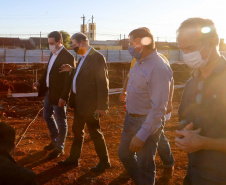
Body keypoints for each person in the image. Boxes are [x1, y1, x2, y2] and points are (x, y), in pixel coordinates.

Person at [118, 28, 173, 185]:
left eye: (131, 43)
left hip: (146, 121)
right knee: (124, 153)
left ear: (142, 44)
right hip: (131, 117)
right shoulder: (140, 61)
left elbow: (158, 109)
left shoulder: (158, 67)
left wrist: (142, 135)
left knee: (145, 164)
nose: (129, 47)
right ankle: (140, 180)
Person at [175, 17, 226, 185]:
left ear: (212, 43)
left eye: (190, 48)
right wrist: (184, 129)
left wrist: (203, 143)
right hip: (194, 173)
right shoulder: (192, 83)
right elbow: (184, 117)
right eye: (182, 49)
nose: (186, 55)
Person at [58, 32, 111, 172]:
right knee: (77, 131)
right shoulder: (82, 58)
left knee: (95, 133)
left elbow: (102, 83)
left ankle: (105, 161)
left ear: (82, 43)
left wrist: (102, 106)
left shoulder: (97, 57)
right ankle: (73, 159)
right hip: (80, 104)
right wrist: (72, 70)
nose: (74, 48)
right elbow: (85, 74)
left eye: (74, 45)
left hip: (91, 105)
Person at [33, 31, 75, 159]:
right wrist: (39, 82)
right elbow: (48, 72)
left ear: (59, 42)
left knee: (61, 121)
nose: (50, 45)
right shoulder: (53, 54)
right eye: (49, 43)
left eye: (52, 43)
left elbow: (69, 80)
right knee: (46, 115)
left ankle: (59, 147)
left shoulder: (67, 56)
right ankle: (55, 140)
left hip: (59, 94)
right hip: (49, 91)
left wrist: (64, 97)